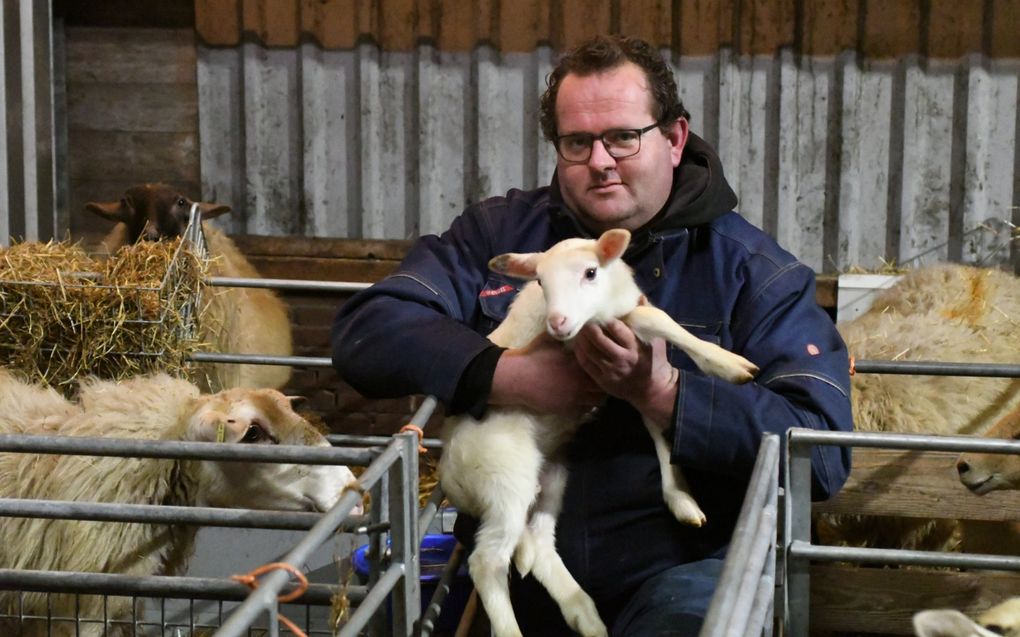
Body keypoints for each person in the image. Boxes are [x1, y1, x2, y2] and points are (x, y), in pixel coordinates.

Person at [332, 34, 852, 636]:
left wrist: (663, 393)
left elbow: (821, 452)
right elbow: (368, 330)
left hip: (678, 574)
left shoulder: (752, 273)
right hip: (522, 553)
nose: (600, 160)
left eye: (624, 137)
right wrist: (505, 375)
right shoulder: (498, 236)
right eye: (578, 142)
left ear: (674, 139)